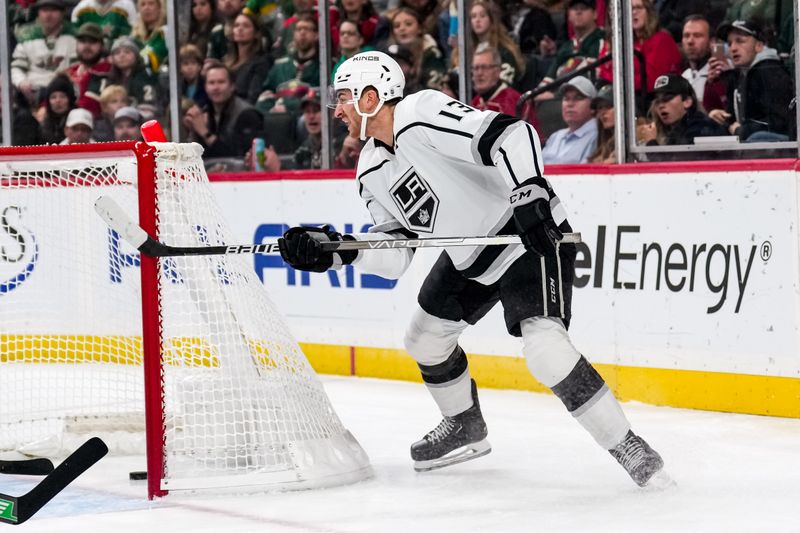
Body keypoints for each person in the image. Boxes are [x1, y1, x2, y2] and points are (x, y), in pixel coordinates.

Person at [278, 51, 666, 488]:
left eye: (345, 97)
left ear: (372, 97)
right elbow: (397, 256)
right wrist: (336, 252)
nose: (338, 109)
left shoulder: (420, 112)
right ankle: (464, 424)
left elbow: (511, 134)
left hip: (525, 238)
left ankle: (628, 445)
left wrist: (530, 194)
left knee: (545, 350)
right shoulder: (369, 168)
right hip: (472, 255)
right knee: (423, 339)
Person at [708, 19, 794, 142]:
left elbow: (781, 122)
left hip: (778, 148)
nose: (733, 48)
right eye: (730, 43)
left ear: (759, 45)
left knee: (757, 138)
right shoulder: (740, 74)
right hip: (751, 142)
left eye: (740, 41)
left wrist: (743, 130)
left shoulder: (769, 71)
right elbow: (738, 122)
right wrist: (720, 117)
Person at [184, 62, 267, 158]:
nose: (216, 87)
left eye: (221, 82)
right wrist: (193, 131)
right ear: (206, 88)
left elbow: (238, 156)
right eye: (211, 83)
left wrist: (205, 133)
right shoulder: (205, 112)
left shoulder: (247, 114)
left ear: (232, 86)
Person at [11, 0, 77, 107]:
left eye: (54, 10)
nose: (48, 15)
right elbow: (16, 68)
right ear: (38, 13)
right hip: (33, 92)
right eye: (45, 10)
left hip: (63, 93)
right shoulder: (27, 37)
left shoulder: (73, 38)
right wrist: (21, 82)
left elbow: (77, 69)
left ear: (63, 13)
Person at [535, 0, 604, 101]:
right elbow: (549, 77)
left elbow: (592, 76)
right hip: (559, 97)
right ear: (569, 15)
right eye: (574, 9)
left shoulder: (601, 39)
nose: (578, 12)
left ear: (595, 14)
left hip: (584, 97)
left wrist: (556, 95)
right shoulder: (566, 46)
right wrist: (537, 93)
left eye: (583, 8)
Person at [450, 0, 525, 87]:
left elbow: (506, 85)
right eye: (473, 17)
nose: (477, 20)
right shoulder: (463, 52)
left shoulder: (504, 52)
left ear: (491, 20)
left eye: (482, 16)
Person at [643, 74, 726, 145]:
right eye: (657, 101)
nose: (661, 105)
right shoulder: (677, 130)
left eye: (667, 98)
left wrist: (651, 142)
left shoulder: (700, 128)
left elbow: (676, 162)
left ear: (687, 101)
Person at [541, 76, 598, 164]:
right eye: (566, 99)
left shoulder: (599, 136)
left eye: (578, 98)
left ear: (593, 106)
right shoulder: (555, 137)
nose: (570, 104)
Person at [387, 7, 446, 91]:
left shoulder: (431, 53)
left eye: (408, 24)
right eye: (397, 26)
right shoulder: (389, 55)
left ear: (420, 29)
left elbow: (434, 90)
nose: (402, 28)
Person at [680, 14, 726, 113]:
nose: (690, 41)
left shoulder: (719, 73)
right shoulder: (683, 77)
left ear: (712, 42)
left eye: (697, 36)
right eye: (686, 36)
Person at [224, 12, 272, 103]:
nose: (240, 29)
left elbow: (253, 97)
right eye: (236, 25)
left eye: (246, 26)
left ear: (256, 34)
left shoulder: (261, 62)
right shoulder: (226, 61)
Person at [65, 22, 111, 117]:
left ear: (102, 46)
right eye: (82, 41)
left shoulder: (110, 70)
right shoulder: (69, 72)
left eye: (92, 42)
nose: (87, 46)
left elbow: (92, 105)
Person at [470, 43, 521, 116]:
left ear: (497, 71)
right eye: (476, 68)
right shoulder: (474, 103)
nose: (479, 73)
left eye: (484, 67)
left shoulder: (512, 101)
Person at [71, 0, 138, 49]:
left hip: (118, 51)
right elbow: (75, 36)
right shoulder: (81, 7)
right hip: (90, 51)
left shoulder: (127, 5)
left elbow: (133, 34)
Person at [37, 74, 76, 144]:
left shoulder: (79, 122)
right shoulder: (43, 124)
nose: (58, 101)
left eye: (62, 96)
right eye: (53, 97)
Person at [588, 83, 615, 163]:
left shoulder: (636, 137)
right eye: (600, 108)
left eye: (608, 107)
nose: (602, 113)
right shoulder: (603, 145)